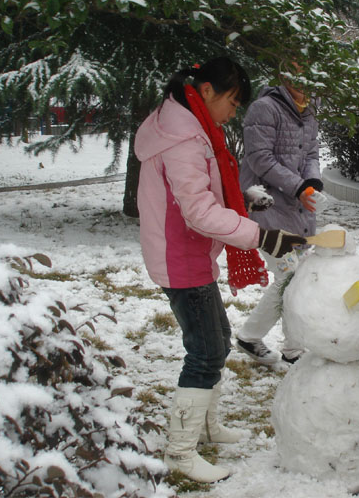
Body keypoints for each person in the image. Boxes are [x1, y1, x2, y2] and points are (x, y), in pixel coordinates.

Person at [135, 57, 306, 483]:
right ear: (206, 90)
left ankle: (206, 427)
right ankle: (179, 449)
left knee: (218, 340)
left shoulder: (189, 126)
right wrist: (263, 236)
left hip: (188, 252)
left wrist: (242, 200)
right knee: (207, 350)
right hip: (182, 256)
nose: (234, 111)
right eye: (232, 101)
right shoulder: (184, 137)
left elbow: (200, 191)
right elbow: (196, 211)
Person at [234, 64, 323, 365]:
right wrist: (297, 186)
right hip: (266, 207)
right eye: (297, 76)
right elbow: (260, 158)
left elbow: (311, 154)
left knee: (297, 277)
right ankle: (264, 341)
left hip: (298, 209)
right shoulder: (264, 108)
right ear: (284, 76)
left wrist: (310, 184)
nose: (305, 85)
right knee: (290, 275)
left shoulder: (309, 111)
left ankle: (284, 346)